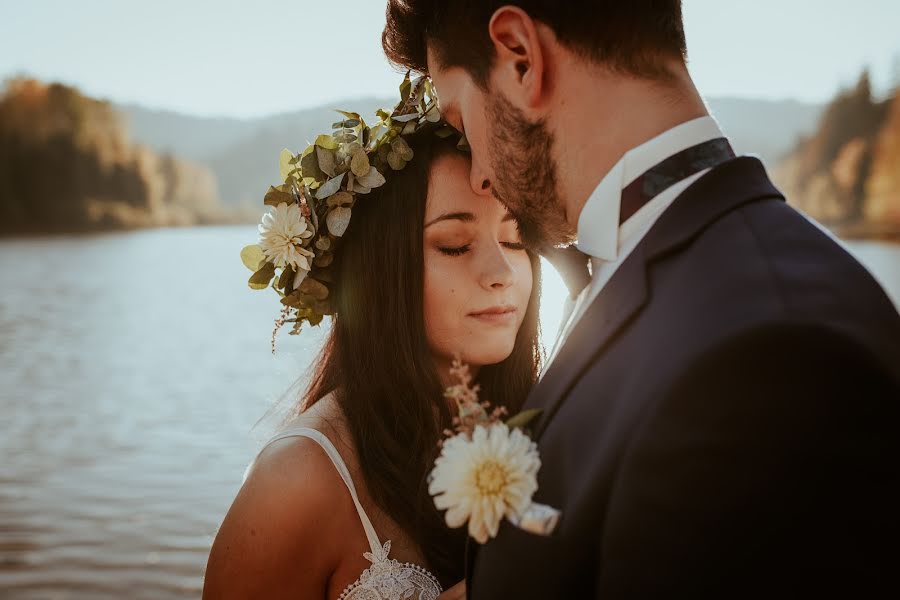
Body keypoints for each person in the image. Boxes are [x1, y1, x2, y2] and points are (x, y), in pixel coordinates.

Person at [383, 1, 900, 597]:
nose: (477, 175)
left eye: (461, 119)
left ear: (522, 58)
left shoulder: (771, 356)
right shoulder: (656, 273)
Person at [203, 96, 542, 599]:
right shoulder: (296, 482)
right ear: (379, 274)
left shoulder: (552, 420)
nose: (502, 274)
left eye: (515, 241)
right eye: (454, 244)